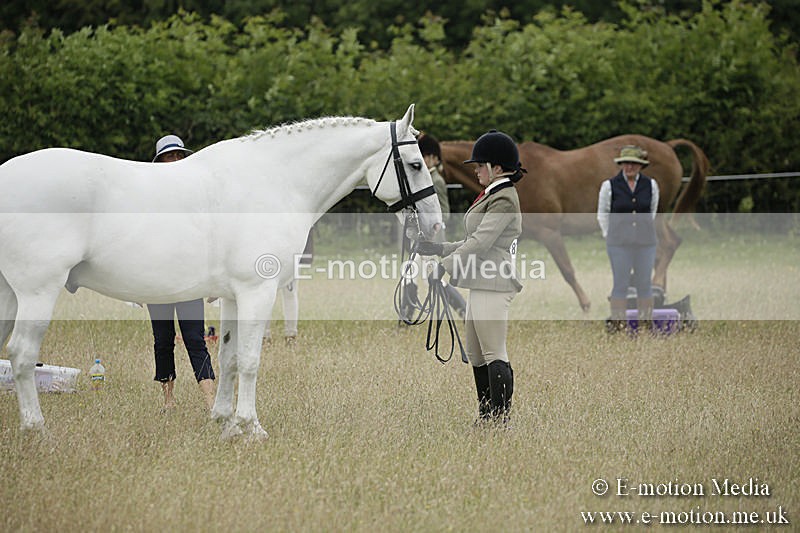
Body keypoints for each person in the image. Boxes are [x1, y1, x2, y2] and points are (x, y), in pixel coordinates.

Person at [415, 130, 524, 424]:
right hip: (480, 282)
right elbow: (470, 240)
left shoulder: (504, 199)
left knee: (493, 351)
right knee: (476, 354)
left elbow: (480, 243)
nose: (475, 171)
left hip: (495, 282)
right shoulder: (493, 194)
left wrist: (444, 267)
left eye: (479, 166)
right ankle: (486, 414)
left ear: (496, 168)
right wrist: (438, 249)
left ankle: (499, 421)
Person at [148, 134, 216, 410]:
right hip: (157, 280)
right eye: (169, 155)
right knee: (163, 340)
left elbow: (207, 239)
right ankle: (168, 400)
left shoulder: (196, 197)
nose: (175, 160)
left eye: (179, 155)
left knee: (195, 339)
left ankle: (211, 402)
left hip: (189, 278)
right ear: (159, 161)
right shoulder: (149, 198)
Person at [400, 133, 466, 320]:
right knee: (412, 273)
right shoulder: (421, 180)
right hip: (419, 238)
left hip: (432, 238)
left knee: (431, 278)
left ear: (433, 158)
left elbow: (444, 212)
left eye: (425, 156)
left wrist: (431, 224)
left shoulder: (437, 181)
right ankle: (406, 317)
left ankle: (463, 310)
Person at [597, 145, 660, 333]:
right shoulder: (609, 186)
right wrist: (610, 236)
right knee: (620, 284)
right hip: (618, 243)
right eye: (626, 163)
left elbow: (652, 211)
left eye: (633, 164)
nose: (629, 167)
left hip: (645, 242)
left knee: (644, 284)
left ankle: (646, 327)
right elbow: (603, 214)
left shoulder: (651, 185)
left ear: (640, 166)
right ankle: (618, 327)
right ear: (621, 165)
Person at [264, 232, 314, 343]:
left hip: (290, 252)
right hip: (273, 250)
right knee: (268, 294)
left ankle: (290, 334)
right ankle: (265, 334)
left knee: (289, 292)